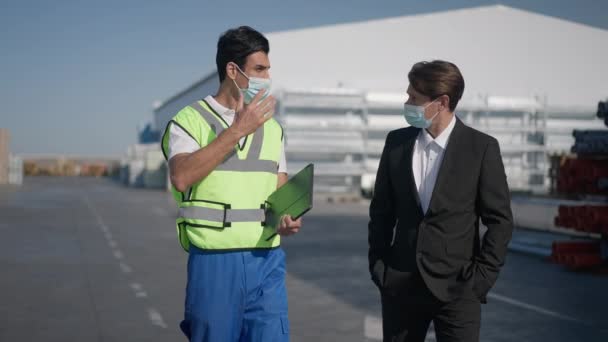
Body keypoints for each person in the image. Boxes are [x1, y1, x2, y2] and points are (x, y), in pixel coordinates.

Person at [161, 26, 302, 342]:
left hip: (267, 260)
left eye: (268, 69)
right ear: (232, 70)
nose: (267, 77)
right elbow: (181, 176)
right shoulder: (189, 119)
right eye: (259, 69)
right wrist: (237, 130)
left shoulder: (273, 129)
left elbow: (280, 192)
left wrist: (288, 217)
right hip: (215, 262)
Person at [368, 60, 513, 342]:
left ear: (442, 101)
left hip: (459, 290)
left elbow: (500, 220)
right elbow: (382, 211)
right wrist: (379, 267)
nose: (407, 102)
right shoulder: (396, 143)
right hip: (400, 285)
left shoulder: (481, 148)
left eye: (414, 97)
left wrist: (480, 279)